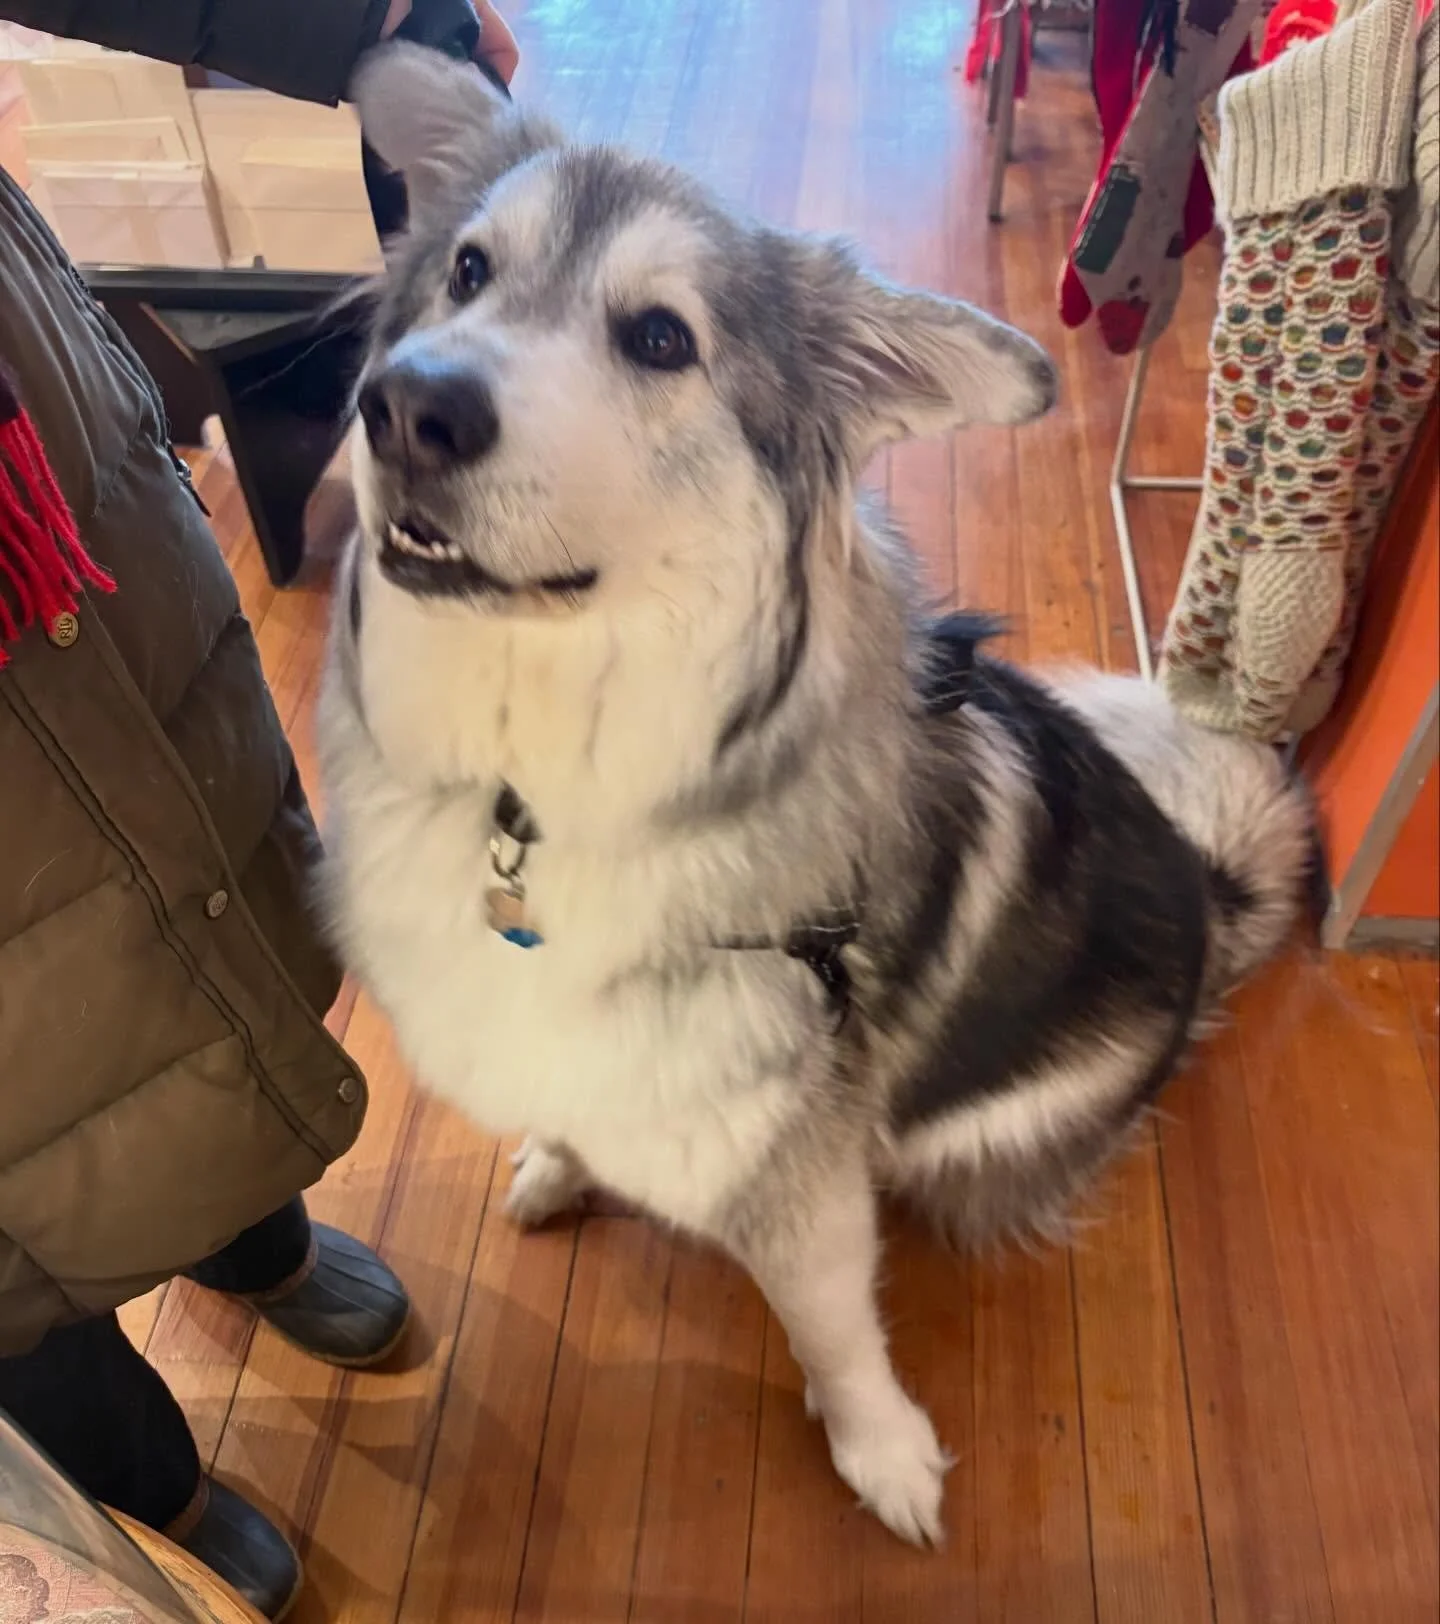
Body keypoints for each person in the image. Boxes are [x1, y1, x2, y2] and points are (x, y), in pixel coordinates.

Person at [0, 3, 515, 1618]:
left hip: (24, 449)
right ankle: (137, 1483)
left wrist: (357, 20)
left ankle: (248, 1231)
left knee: (175, 863)